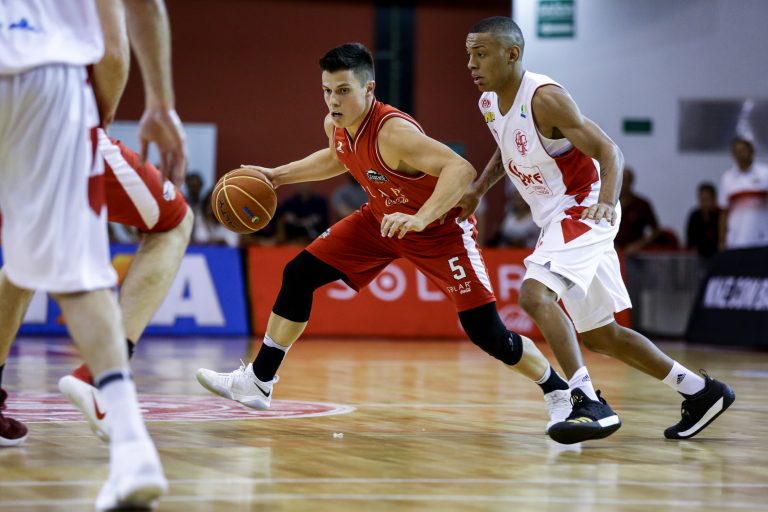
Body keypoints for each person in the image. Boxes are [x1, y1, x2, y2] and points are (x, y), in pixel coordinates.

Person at [197, 42, 574, 432]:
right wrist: (277, 176)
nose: (333, 100)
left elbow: (460, 169)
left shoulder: (394, 133)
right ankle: (259, 380)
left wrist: (420, 218)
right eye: (327, 90)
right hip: (380, 221)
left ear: (369, 89)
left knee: (488, 333)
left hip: (439, 233)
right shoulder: (336, 124)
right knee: (299, 274)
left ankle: (558, 391)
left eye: (343, 90)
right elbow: (336, 156)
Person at [461, 16, 734, 444]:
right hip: (556, 217)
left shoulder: (545, 98)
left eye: (480, 54)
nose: (471, 64)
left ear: (512, 54)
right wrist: (478, 190)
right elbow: (506, 145)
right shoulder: (489, 103)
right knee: (602, 335)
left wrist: (606, 201)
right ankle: (701, 391)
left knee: (534, 295)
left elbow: (609, 150)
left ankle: (586, 401)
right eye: (468, 55)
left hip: (583, 208)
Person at [0, 0, 186, 509]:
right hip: (46, 81)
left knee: (27, 257)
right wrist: (158, 102)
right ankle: (131, 447)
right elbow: (124, 29)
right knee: (77, 273)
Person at [718, 137, 768, 250]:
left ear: (751, 151)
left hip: (762, 240)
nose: (740, 154)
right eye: (736, 151)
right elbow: (724, 212)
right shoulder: (727, 178)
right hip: (736, 241)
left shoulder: (765, 173)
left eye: (742, 150)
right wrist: (721, 240)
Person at [614, 166, 661, 254]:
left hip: (635, 254)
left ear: (631, 182)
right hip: (612, 252)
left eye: (625, 180)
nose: (622, 183)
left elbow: (656, 231)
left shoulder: (641, 204)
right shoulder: (609, 203)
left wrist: (639, 245)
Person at [686, 182, 722, 261]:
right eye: (701, 199)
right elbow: (690, 241)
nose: (704, 203)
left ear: (714, 199)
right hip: (699, 258)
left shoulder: (721, 216)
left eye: (707, 199)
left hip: (719, 257)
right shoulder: (695, 216)